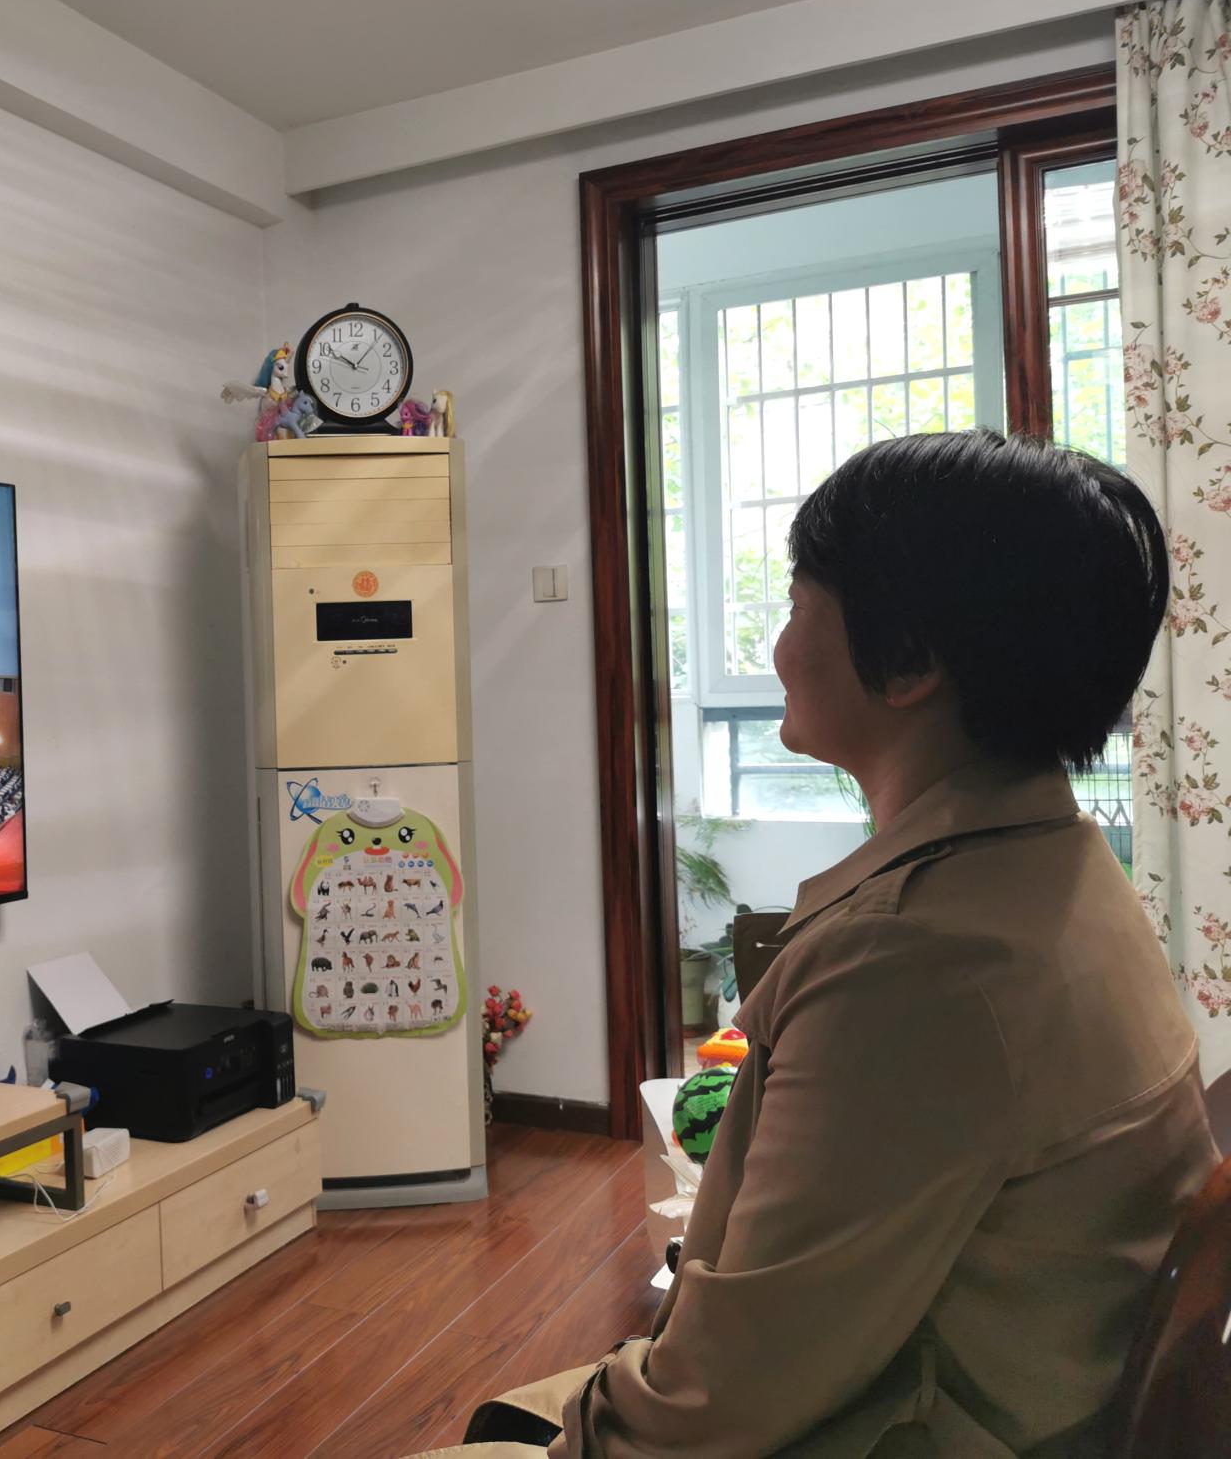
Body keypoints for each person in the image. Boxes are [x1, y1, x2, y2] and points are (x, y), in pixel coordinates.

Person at [445, 433, 1222, 1459]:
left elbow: (716, 1402)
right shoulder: (1063, 869)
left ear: (909, 662)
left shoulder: (913, 966)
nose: (776, 649)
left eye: (797, 607)